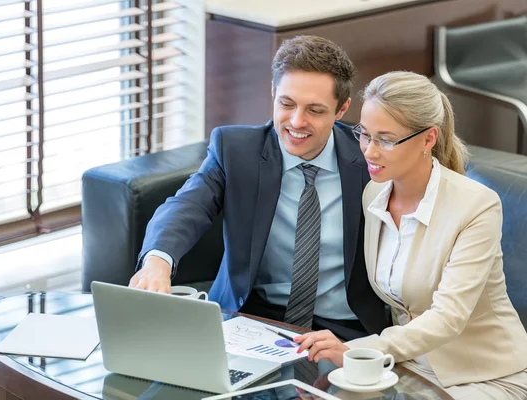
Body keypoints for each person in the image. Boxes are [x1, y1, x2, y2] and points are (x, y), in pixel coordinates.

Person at [128, 35, 390, 341]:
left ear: (342, 109)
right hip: (252, 320)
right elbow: (187, 206)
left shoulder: (370, 158)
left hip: (347, 328)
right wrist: (158, 262)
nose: (296, 122)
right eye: (286, 104)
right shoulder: (236, 150)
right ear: (272, 93)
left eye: (315, 110)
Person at [295, 71, 527, 399]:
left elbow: (448, 317)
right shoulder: (374, 194)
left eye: (386, 139)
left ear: (428, 139)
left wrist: (357, 350)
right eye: (365, 135)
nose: (370, 152)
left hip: (486, 376)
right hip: (406, 369)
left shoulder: (477, 205)